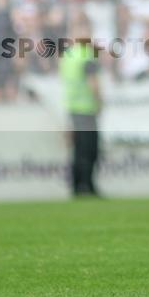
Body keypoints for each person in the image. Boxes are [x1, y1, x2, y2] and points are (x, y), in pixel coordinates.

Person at [58, 13, 102, 196]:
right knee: (90, 149)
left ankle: (77, 186)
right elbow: (93, 82)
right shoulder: (85, 54)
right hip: (85, 108)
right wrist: (100, 101)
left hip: (72, 107)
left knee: (78, 150)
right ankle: (87, 186)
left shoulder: (67, 55)